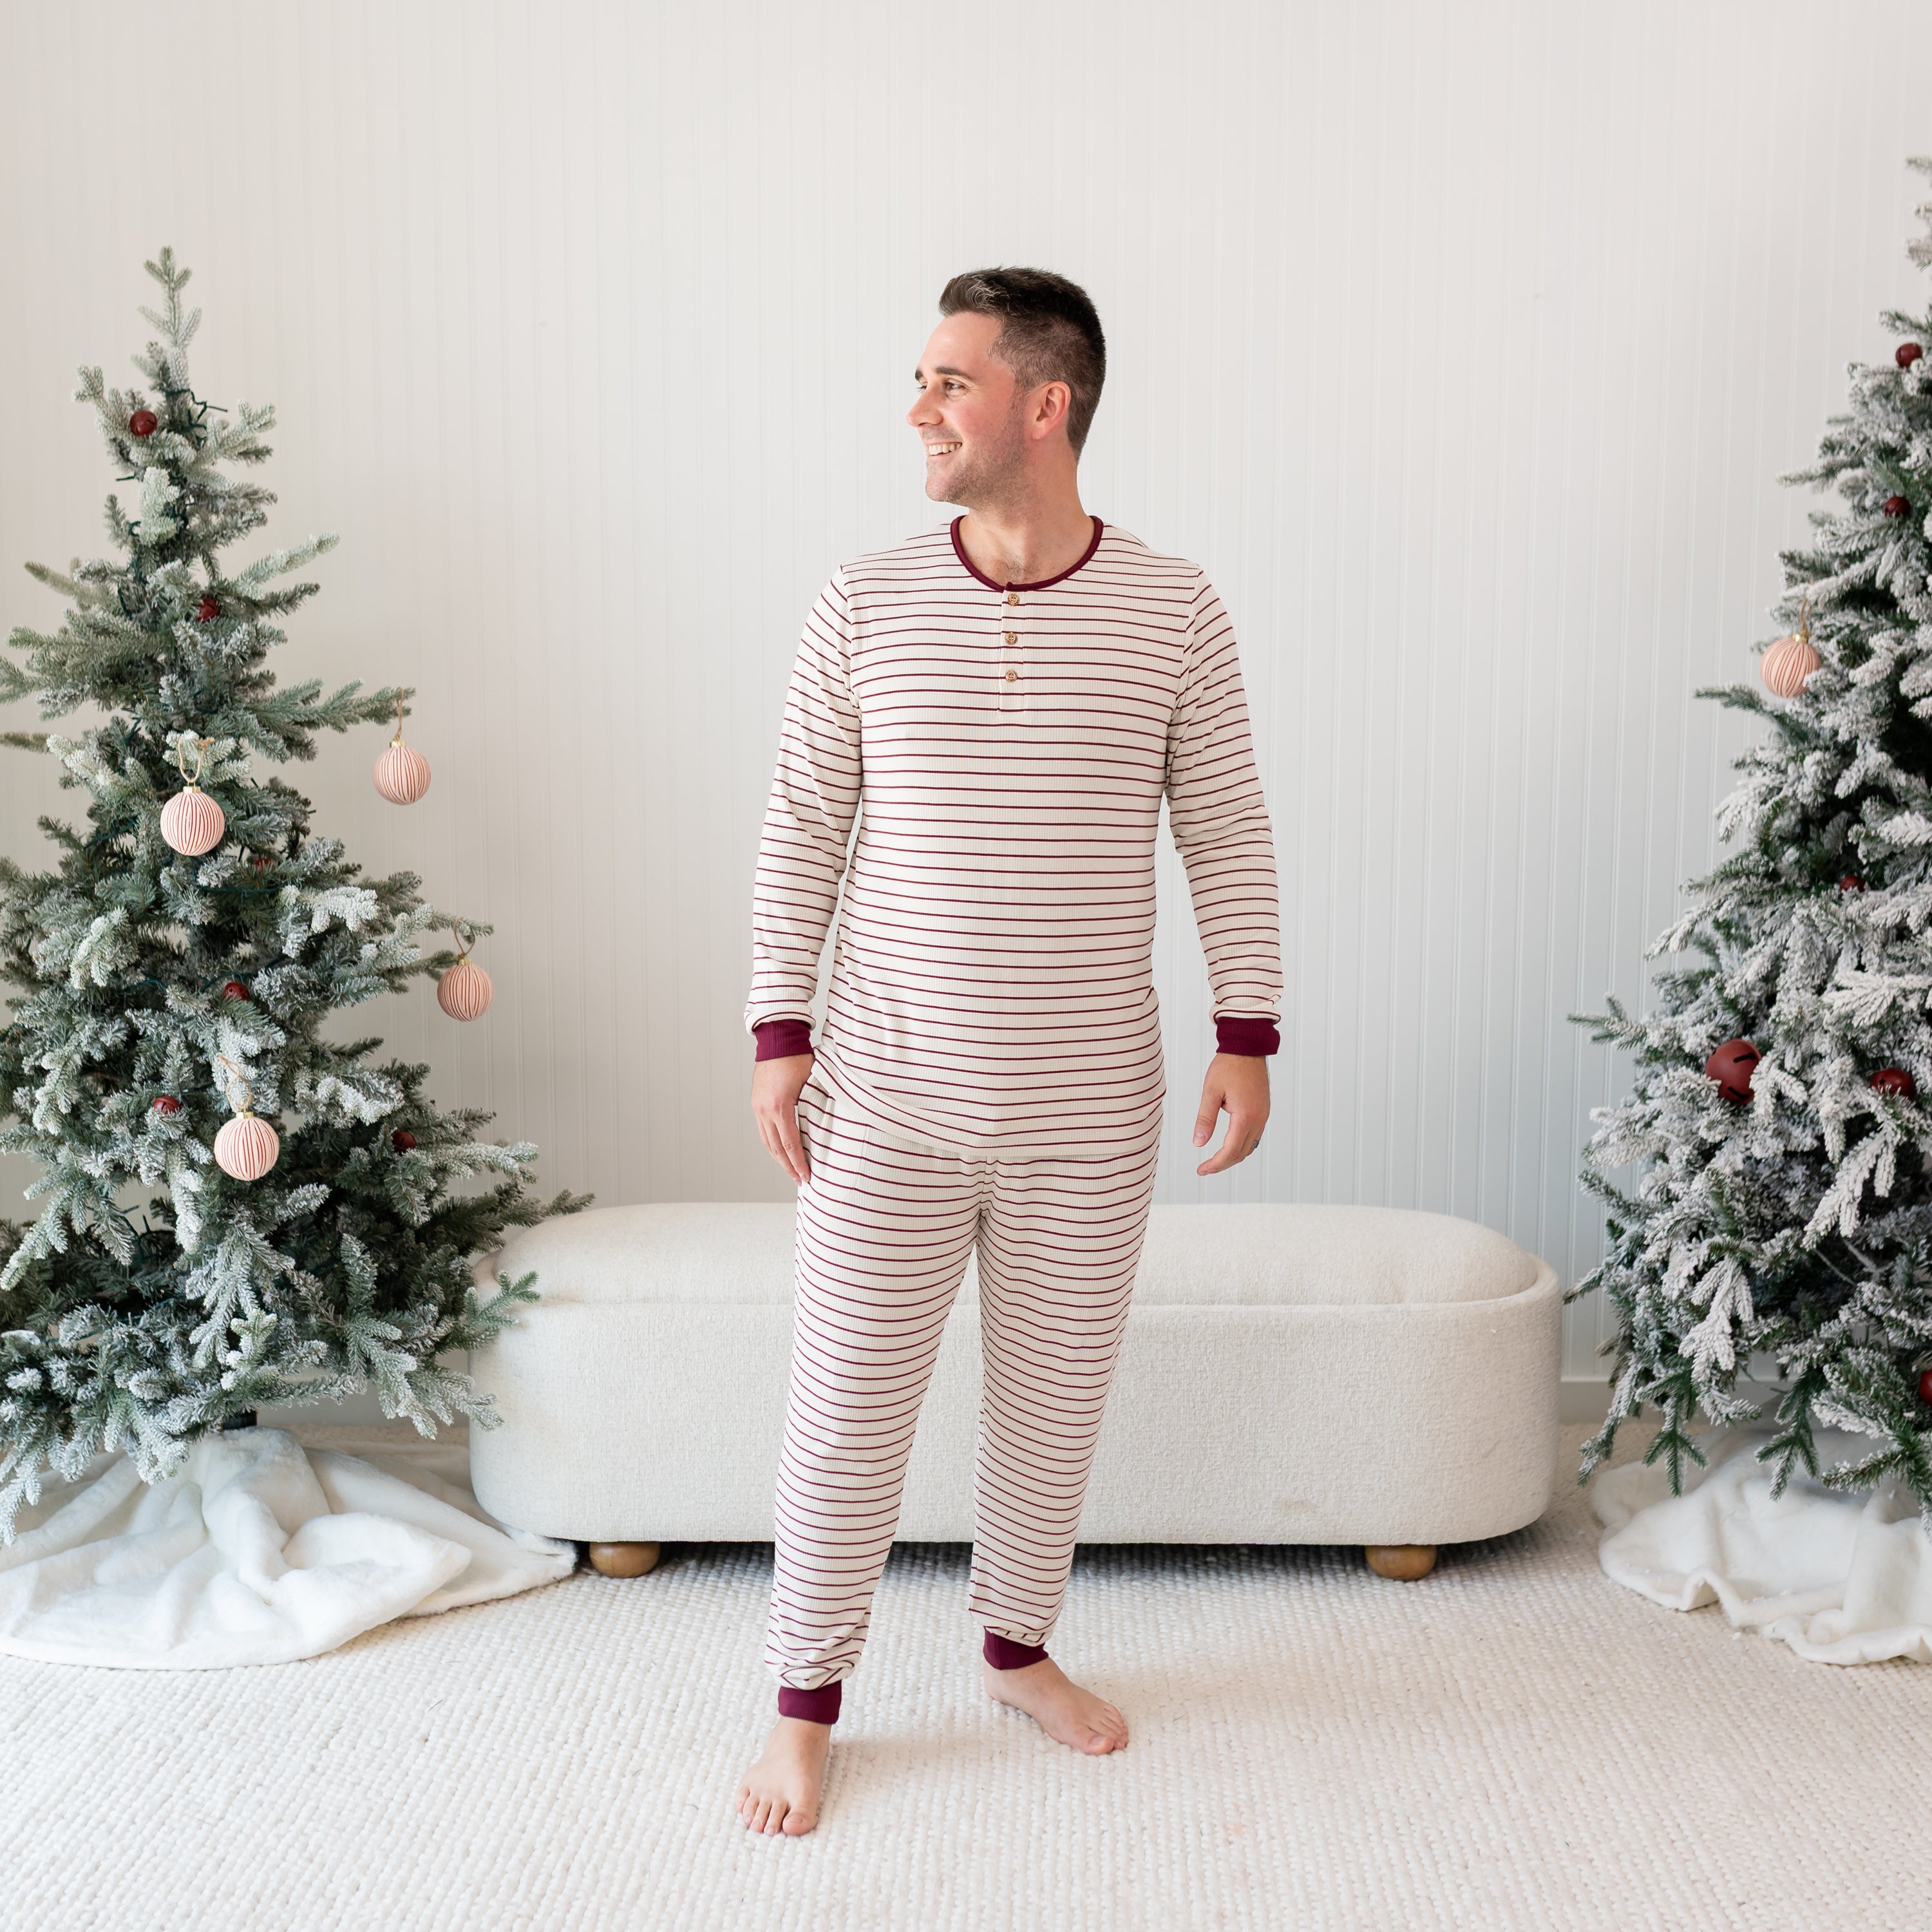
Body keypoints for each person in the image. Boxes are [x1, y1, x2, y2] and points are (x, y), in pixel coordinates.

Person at [734, 267, 1282, 1836]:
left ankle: (1016, 1647)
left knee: (1052, 1406)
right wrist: (781, 1033)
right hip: (887, 1096)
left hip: (1092, 1108)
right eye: (920, 377)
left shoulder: (1175, 608)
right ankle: (803, 1707)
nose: (918, 408)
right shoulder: (866, 598)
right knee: (844, 1409)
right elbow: (802, 829)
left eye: (948, 380)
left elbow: (1227, 828)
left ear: (1046, 404)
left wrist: (1248, 1027)